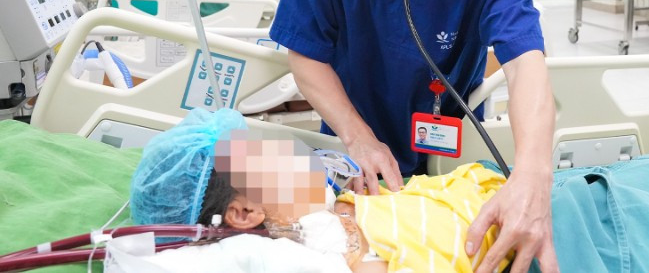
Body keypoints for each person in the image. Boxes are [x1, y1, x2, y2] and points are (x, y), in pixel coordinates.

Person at [268, 0, 557, 271]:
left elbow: (524, 64)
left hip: (451, 155)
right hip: (356, 154)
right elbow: (306, 54)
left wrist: (533, 178)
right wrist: (358, 138)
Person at [130, 109, 518, 272]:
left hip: (502, 186)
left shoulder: (338, 206)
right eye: (261, 158)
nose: (286, 152)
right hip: (530, 228)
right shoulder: (334, 253)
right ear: (244, 213)